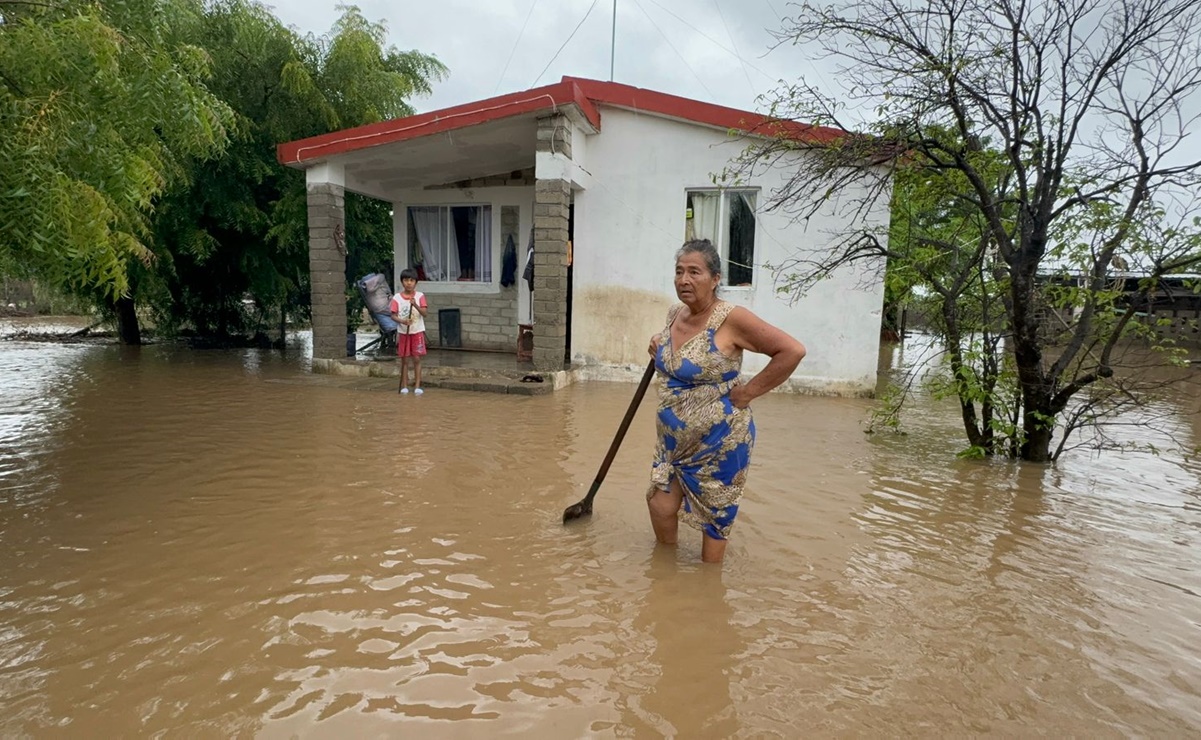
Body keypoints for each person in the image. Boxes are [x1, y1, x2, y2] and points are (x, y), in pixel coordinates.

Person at [645, 239, 806, 563]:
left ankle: (708, 586)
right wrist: (659, 345)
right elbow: (678, 356)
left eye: (694, 272)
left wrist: (747, 393)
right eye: (679, 272)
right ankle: (664, 574)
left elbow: (792, 351)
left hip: (719, 440)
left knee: (715, 519)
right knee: (659, 504)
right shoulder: (675, 313)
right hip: (673, 444)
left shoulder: (732, 318)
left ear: (716, 278)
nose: (684, 280)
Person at [390, 268, 429, 395]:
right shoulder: (397, 298)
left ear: (416, 282)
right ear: (402, 282)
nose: (409, 283)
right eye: (406, 280)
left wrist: (415, 304)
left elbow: (425, 313)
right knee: (405, 359)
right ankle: (404, 386)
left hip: (417, 331)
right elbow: (393, 315)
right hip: (403, 332)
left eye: (411, 280)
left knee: (417, 359)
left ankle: (417, 386)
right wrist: (402, 321)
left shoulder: (420, 296)